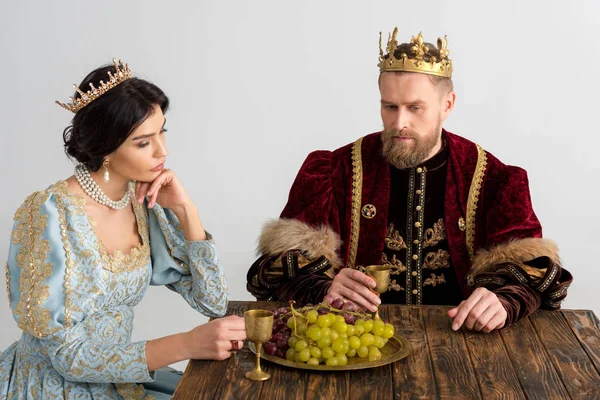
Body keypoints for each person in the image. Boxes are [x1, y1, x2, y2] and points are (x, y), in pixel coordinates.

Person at [247, 29, 572, 333]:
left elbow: (533, 274)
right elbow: (276, 270)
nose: (400, 122)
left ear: (447, 105)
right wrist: (323, 287)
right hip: (354, 341)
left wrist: (502, 301)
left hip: (464, 345)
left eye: (415, 108)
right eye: (390, 107)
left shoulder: (494, 179)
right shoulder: (333, 171)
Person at [0, 59, 245, 399]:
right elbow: (67, 358)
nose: (163, 150)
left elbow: (214, 302)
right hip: (53, 386)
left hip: (119, 376)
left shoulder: (145, 203)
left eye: (162, 132)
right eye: (144, 142)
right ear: (106, 148)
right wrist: (186, 344)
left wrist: (186, 211)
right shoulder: (48, 215)